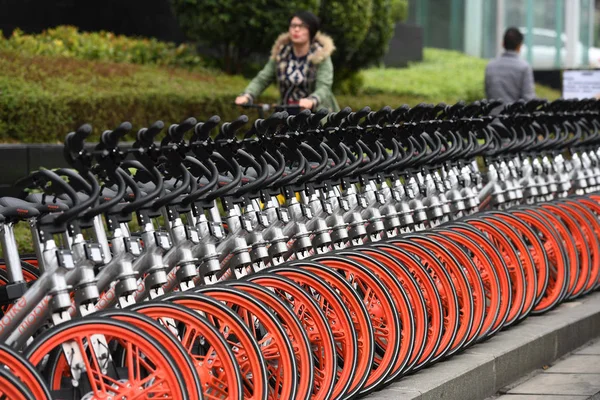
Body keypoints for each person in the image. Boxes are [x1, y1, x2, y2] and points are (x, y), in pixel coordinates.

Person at [235, 11, 340, 112]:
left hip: (316, 114)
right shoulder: (281, 54)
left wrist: (312, 100)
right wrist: (247, 95)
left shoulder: (321, 55)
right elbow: (262, 79)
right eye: (293, 25)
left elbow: (324, 87)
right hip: (286, 111)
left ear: (311, 30)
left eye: (302, 26)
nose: (296, 29)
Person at [485, 27, 536, 103]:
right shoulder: (524, 67)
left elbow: (488, 92)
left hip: (493, 114)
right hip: (515, 114)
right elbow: (528, 98)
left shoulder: (490, 66)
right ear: (519, 46)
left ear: (502, 44)